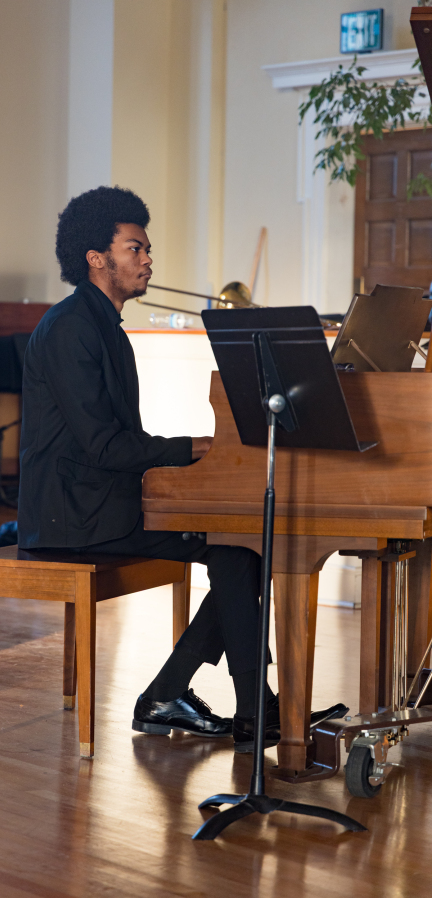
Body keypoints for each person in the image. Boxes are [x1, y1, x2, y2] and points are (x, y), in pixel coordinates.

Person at [18, 186, 345, 751]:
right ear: (96, 258)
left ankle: (196, 698)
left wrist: (189, 452)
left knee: (242, 543)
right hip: (73, 515)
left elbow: (114, 444)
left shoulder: (103, 326)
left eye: (146, 249)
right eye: (135, 248)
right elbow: (103, 447)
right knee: (238, 546)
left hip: (102, 500)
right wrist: (193, 448)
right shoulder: (71, 329)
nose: (148, 259)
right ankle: (245, 706)